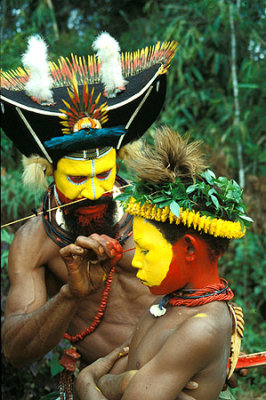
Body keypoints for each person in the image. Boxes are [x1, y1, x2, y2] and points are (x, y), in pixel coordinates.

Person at [1, 34, 202, 399]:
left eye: (102, 175)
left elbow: (210, 283)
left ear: (117, 165)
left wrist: (217, 350)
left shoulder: (158, 208)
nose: (93, 191)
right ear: (49, 172)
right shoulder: (34, 241)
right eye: (77, 178)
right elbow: (14, 351)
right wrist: (70, 295)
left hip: (183, 375)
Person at [73, 127, 250, 400]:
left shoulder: (202, 327)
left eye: (145, 250)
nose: (137, 263)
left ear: (189, 248)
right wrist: (119, 383)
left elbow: (102, 376)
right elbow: (117, 371)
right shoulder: (166, 304)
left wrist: (86, 382)